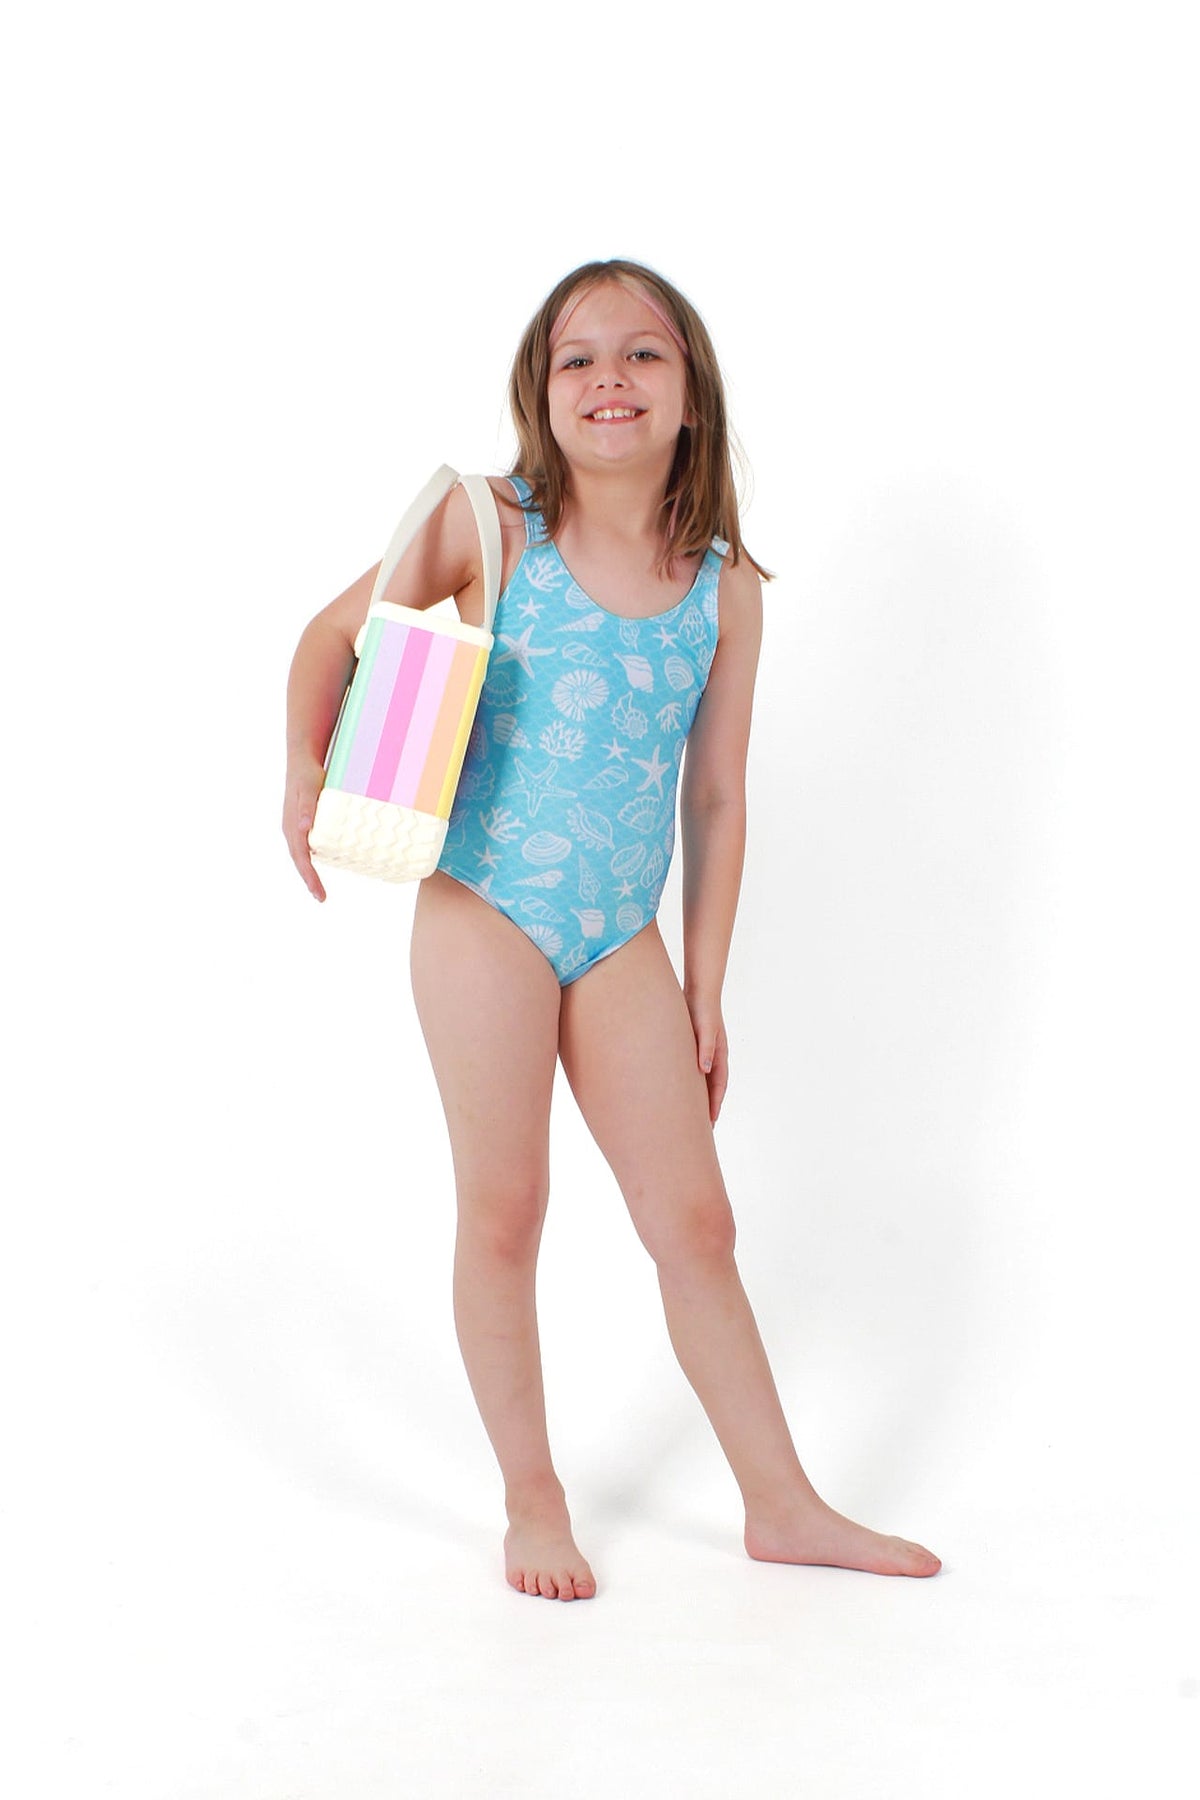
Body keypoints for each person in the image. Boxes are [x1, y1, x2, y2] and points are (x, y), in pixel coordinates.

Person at [283, 259, 941, 1600]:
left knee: (696, 1221)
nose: (609, 380)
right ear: (541, 394)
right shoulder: (494, 525)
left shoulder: (725, 586)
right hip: (484, 906)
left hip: (619, 933)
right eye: (576, 359)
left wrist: (705, 986)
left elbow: (717, 794)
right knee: (506, 1208)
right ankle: (533, 1501)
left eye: (642, 354)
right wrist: (302, 769)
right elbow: (329, 636)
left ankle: (782, 1504)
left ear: (692, 392)